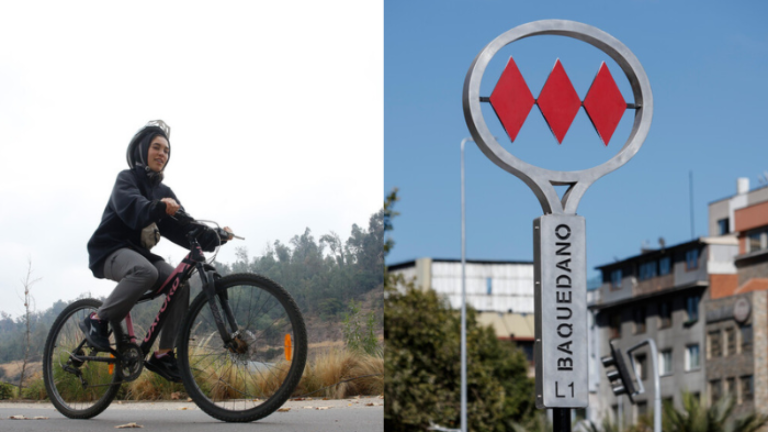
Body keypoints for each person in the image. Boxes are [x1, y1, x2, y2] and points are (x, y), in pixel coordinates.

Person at [82, 120, 231, 382]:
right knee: (145, 272)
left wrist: (215, 237)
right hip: (109, 250)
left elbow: (186, 227)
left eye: (166, 151)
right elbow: (134, 208)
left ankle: (163, 354)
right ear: (142, 149)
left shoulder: (164, 191)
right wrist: (158, 207)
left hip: (140, 255)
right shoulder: (125, 179)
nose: (162, 154)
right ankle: (98, 318)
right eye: (156, 147)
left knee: (180, 283)